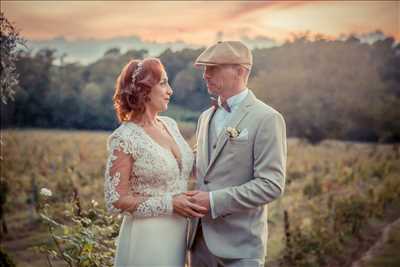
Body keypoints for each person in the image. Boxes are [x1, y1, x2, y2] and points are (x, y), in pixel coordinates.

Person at [187, 41, 287, 267]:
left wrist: (213, 201)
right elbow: (202, 167)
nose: (206, 75)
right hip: (198, 244)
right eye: (205, 69)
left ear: (241, 71)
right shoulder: (205, 117)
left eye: (213, 68)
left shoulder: (267, 118)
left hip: (241, 249)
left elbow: (271, 184)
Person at [104, 58, 207, 267]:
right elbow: (116, 199)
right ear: (144, 89)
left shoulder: (169, 124)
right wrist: (169, 204)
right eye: (163, 83)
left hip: (178, 232)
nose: (170, 91)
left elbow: (185, 167)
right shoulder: (125, 138)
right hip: (148, 235)